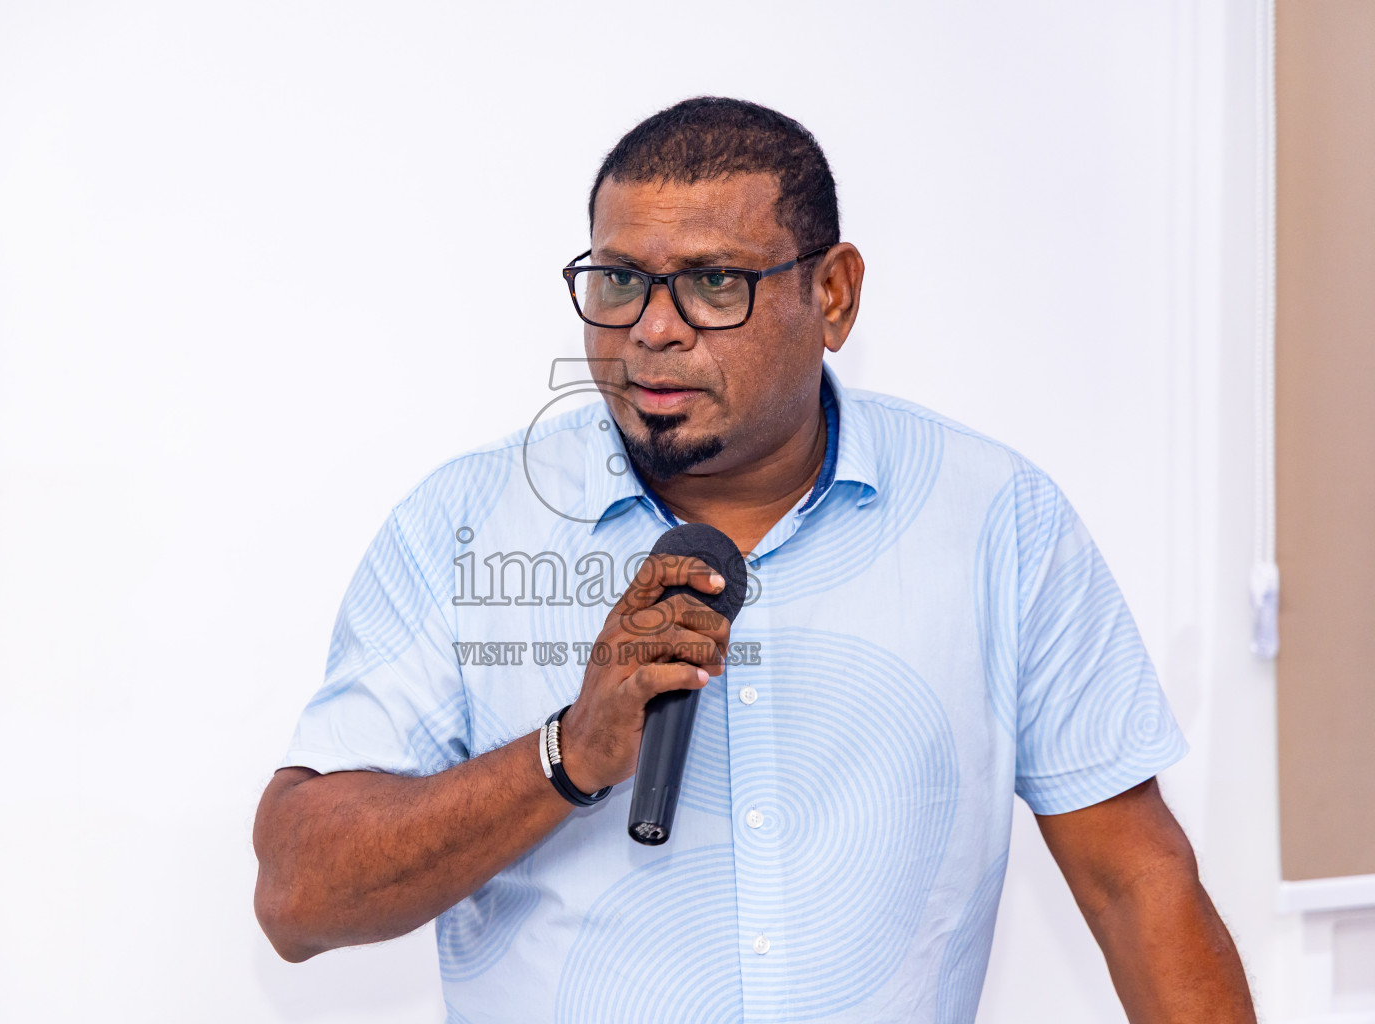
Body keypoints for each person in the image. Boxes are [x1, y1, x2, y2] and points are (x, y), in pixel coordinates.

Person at [252, 97, 1256, 1022]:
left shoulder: (996, 518)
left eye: (713, 283)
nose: (652, 328)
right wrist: (567, 754)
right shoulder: (465, 527)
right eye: (618, 281)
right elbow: (298, 895)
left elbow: (1138, 885)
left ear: (833, 294)